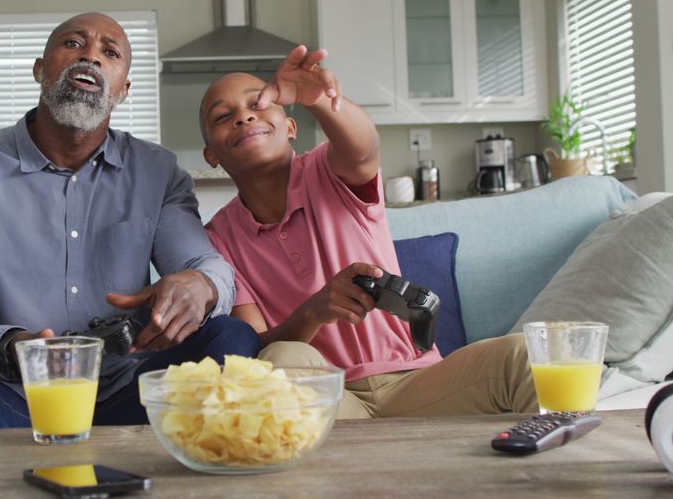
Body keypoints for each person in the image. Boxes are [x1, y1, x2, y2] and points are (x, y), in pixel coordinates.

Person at [0, 12, 260, 430]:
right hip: (14, 398)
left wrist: (201, 286)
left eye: (110, 51)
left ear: (123, 90)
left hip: (132, 391)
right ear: (39, 70)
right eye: (72, 44)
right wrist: (11, 346)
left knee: (232, 338)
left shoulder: (158, 171)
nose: (91, 56)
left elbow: (204, 265)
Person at [200, 45, 537, 419]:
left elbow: (363, 149)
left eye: (257, 105)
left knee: (526, 356)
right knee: (280, 357)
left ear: (291, 127)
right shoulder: (217, 239)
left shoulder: (328, 172)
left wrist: (319, 101)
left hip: (416, 382)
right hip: (329, 396)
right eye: (224, 116)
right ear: (211, 155)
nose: (245, 118)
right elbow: (254, 345)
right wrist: (314, 311)